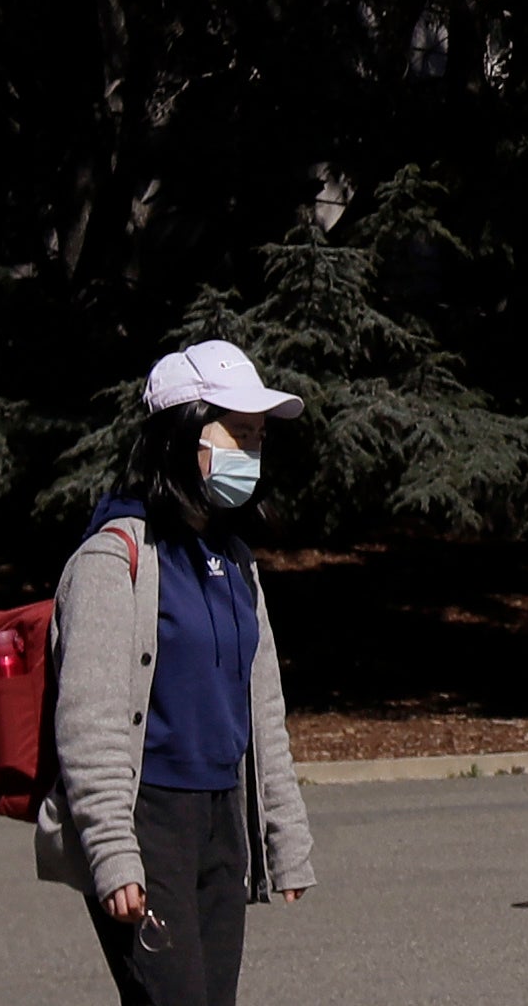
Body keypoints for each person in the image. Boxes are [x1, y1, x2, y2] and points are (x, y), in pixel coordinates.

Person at [37, 340, 318, 1005]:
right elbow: (89, 723)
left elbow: (262, 709)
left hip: (223, 819)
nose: (250, 453)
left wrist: (286, 838)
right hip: (148, 822)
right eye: (236, 433)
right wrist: (111, 852)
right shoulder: (115, 559)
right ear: (183, 432)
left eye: (257, 438)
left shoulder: (236, 560)